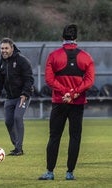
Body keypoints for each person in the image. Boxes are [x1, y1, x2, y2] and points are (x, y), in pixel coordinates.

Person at [38, 24, 95, 180]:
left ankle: (50, 172)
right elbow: (89, 81)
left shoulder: (54, 56)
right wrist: (74, 93)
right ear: (76, 38)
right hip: (77, 103)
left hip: (59, 102)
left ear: (62, 38)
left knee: (54, 137)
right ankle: (70, 173)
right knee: (75, 137)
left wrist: (65, 93)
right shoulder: (86, 57)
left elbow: (49, 80)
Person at [0, 38, 34, 156]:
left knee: (18, 117)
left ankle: (19, 148)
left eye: (6, 48)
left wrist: (25, 94)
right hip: (10, 97)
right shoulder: (0, 64)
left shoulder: (22, 61)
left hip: (22, 96)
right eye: (2, 48)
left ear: (12, 48)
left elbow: (29, 79)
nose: (4, 51)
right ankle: (16, 145)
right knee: (8, 121)